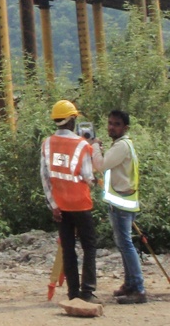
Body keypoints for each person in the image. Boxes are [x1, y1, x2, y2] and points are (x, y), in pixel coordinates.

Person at [40, 99, 98, 303]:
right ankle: (88, 291)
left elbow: (45, 177)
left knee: (68, 249)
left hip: (61, 208)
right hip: (81, 205)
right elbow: (87, 176)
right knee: (89, 246)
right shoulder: (82, 145)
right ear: (72, 119)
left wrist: (53, 206)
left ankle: (73, 293)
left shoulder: (47, 144)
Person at [91, 110, 147, 304]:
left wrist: (94, 147)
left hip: (122, 204)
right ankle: (130, 284)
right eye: (110, 123)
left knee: (126, 245)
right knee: (124, 245)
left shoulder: (122, 146)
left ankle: (138, 288)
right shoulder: (122, 145)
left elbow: (101, 164)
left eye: (116, 124)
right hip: (123, 201)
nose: (111, 127)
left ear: (125, 128)